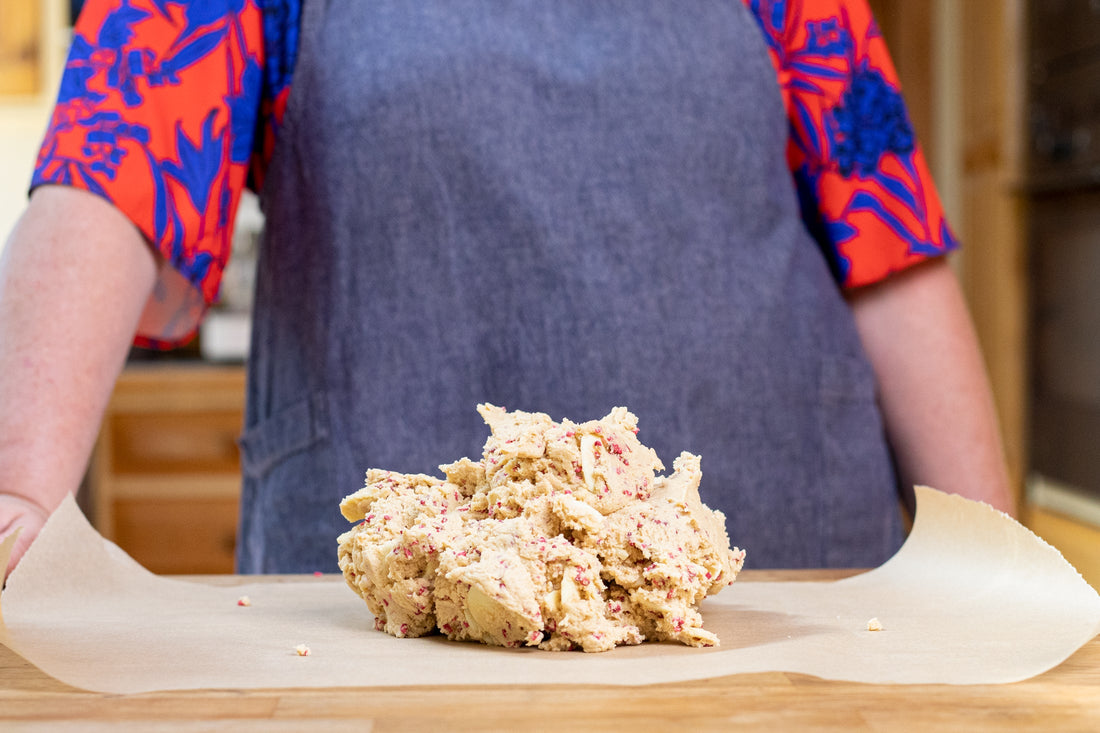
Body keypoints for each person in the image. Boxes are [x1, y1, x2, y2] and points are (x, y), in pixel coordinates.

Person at [0, 0, 1013, 578]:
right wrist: (17, 495)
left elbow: (887, 245)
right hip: (394, 602)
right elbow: (113, 166)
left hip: (792, 564)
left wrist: (991, 556)